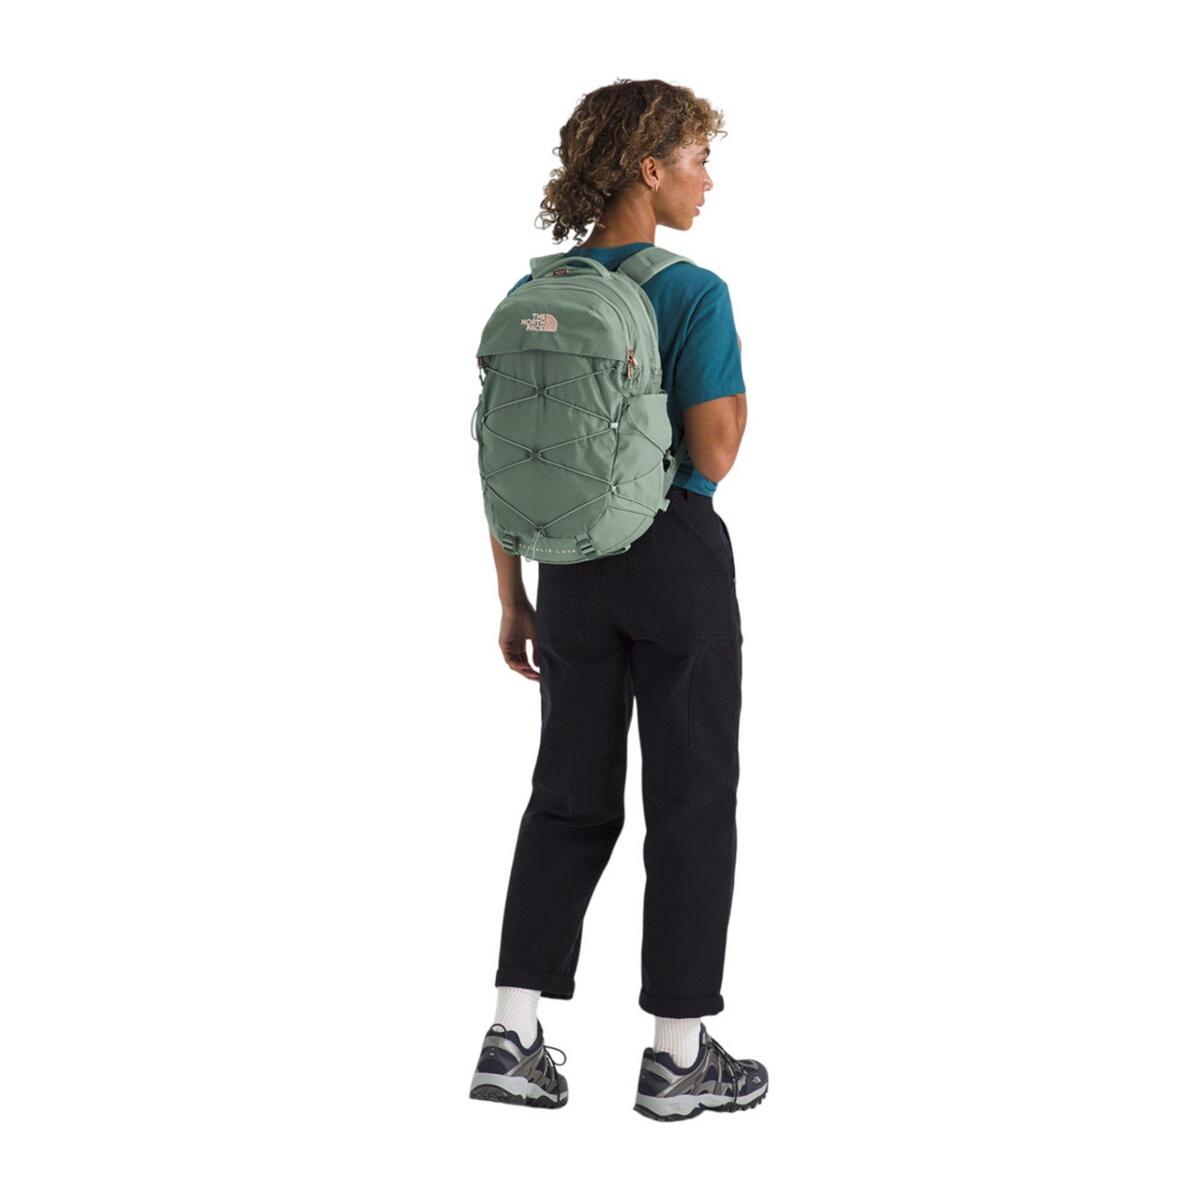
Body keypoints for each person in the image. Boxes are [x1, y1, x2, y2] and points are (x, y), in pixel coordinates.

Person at [468, 79, 768, 1121]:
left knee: (567, 795)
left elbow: (510, 459)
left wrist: (513, 595)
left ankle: (511, 1036)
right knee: (690, 800)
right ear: (650, 167)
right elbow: (715, 451)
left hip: (567, 568)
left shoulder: (537, 291)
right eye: (696, 159)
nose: (706, 180)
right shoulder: (693, 291)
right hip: (673, 553)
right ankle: (678, 1058)